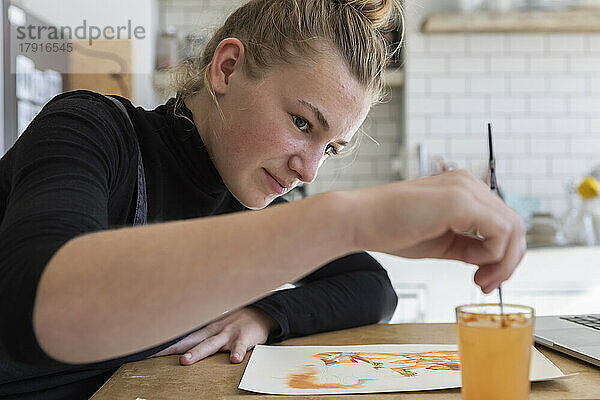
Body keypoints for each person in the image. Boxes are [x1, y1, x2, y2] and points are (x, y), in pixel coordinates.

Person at [0, 0, 525, 398]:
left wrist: (264, 315)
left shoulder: (243, 192)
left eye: (331, 147)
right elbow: (38, 309)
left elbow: (370, 286)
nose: (309, 169)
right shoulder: (89, 130)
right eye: (301, 122)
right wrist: (347, 218)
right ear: (226, 69)